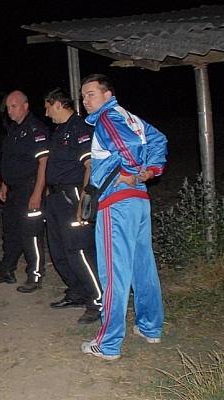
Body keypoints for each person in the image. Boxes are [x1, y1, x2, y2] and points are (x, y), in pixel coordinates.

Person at [79, 74, 167, 360]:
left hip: (116, 203)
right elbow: (158, 139)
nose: (85, 100)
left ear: (108, 95)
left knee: (114, 272)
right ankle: (150, 327)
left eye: (91, 94)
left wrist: (131, 171)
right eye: (83, 96)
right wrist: (149, 171)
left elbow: (127, 144)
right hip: (138, 200)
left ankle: (108, 344)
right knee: (143, 266)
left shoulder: (107, 118)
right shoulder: (130, 117)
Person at [43, 88, 101, 325]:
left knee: (79, 250)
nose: (46, 114)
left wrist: (84, 202)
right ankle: (76, 292)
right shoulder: (60, 131)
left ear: (58, 104)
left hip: (73, 195)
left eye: (48, 108)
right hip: (56, 197)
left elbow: (90, 166)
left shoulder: (79, 128)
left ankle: (98, 300)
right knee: (59, 251)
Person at [0, 91, 48, 293]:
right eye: (8, 107)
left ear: (25, 106)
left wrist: (37, 193)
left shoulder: (35, 129)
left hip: (29, 189)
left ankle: (35, 276)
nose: (10, 111)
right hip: (13, 190)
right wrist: (5, 184)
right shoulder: (13, 130)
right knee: (11, 232)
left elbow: (44, 163)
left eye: (14, 106)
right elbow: (9, 160)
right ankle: (7, 270)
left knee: (31, 233)